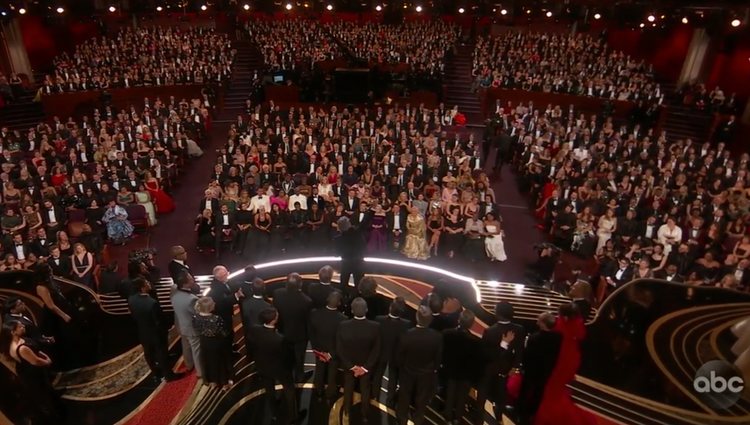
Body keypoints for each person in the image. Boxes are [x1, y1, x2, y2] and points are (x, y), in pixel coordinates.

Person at [533, 304, 595, 425]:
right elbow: (581, 336)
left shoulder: (559, 324)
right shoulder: (578, 324)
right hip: (572, 358)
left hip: (560, 357)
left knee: (551, 387)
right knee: (557, 388)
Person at [247, 308, 303, 425]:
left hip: (262, 366)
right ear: (274, 321)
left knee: (269, 389)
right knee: (289, 389)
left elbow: (252, 348)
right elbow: (288, 357)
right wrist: (290, 367)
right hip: (280, 369)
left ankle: (273, 412)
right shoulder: (280, 339)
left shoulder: (254, 330)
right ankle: (293, 416)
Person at [0, 320, 62, 424]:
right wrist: (47, 361)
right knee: (44, 395)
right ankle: (55, 417)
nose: (23, 326)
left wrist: (43, 355)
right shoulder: (21, 348)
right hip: (32, 374)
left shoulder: (18, 340)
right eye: (20, 327)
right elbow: (35, 361)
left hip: (31, 371)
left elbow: (35, 350)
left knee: (46, 391)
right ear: (13, 332)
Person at [476, 302, 524, 422]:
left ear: (498, 314)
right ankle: (498, 415)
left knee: (483, 392)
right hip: (505, 368)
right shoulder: (519, 329)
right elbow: (520, 351)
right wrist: (515, 367)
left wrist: (503, 345)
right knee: (501, 393)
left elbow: (486, 354)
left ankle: (479, 417)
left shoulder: (490, 331)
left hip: (489, 368)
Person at [396, 305, 443, 425]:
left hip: (407, 370)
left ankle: (402, 419)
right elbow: (438, 357)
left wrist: (402, 366)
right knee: (422, 397)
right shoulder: (437, 337)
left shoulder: (407, 334)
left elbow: (400, 354)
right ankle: (418, 418)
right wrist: (434, 369)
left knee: (404, 395)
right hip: (426, 373)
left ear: (417, 317)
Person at [336, 297, 381, 422]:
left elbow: (339, 349)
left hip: (349, 366)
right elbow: (376, 350)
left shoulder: (343, 326)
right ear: (366, 310)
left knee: (348, 387)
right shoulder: (375, 327)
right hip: (365, 367)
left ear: (351, 310)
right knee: (365, 389)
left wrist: (351, 366)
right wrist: (365, 367)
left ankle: (346, 410)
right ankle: (365, 414)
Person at [127, 277, 179, 381]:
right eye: (146, 282)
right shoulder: (151, 303)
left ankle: (156, 373)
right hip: (156, 333)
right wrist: (166, 329)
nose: (148, 283)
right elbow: (159, 321)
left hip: (142, 331)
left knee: (148, 353)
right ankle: (168, 375)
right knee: (161, 353)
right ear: (142, 288)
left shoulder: (131, 299)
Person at [517, 312, 563, 425]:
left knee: (525, 392)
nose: (537, 321)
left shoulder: (534, 338)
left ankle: (520, 415)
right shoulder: (558, 338)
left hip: (531, 371)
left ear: (543, 324)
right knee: (538, 394)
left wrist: (523, 367)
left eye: (539, 320)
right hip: (546, 371)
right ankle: (532, 414)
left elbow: (527, 355)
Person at [442, 309, 483, 424]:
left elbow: (444, 352)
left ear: (459, 320)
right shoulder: (475, 342)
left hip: (451, 370)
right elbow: (476, 361)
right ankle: (457, 418)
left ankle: (447, 415)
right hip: (466, 375)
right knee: (462, 397)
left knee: (450, 393)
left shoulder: (447, 333)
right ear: (471, 324)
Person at [273, 272, 312, 383]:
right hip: (300, 335)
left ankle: (286, 374)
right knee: (299, 358)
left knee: (285, 356)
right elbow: (307, 320)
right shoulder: (306, 301)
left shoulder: (277, 294)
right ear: (300, 285)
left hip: (282, 333)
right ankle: (299, 376)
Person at [371, 297, 411, 407]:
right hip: (395, 356)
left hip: (381, 353)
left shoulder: (379, 320)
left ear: (390, 308)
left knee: (378, 374)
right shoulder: (406, 324)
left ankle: (374, 394)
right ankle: (390, 400)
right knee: (393, 378)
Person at [308, 291, 347, 400]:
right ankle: (330, 393)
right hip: (333, 352)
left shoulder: (315, 313)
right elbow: (341, 340)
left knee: (319, 370)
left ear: (327, 299)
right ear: (339, 303)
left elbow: (311, 333)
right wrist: (331, 354)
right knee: (332, 372)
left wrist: (317, 350)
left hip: (319, 349)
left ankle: (318, 391)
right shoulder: (343, 319)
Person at [193, 296, 232, 390]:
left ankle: (212, 382)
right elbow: (224, 332)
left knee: (209, 362)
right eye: (213, 303)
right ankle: (224, 383)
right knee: (220, 362)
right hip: (217, 343)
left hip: (205, 342)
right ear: (209, 307)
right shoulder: (216, 318)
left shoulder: (195, 317)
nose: (215, 303)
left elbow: (196, 329)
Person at [171, 272, 202, 380]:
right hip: (192, 328)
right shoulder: (191, 299)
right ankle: (200, 372)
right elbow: (198, 314)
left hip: (182, 326)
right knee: (197, 350)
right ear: (185, 283)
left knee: (187, 347)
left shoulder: (175, 295)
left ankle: (189, 365)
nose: (193, 279)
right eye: (190, 278)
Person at [207, 265, 241, 355]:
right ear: (219, 277)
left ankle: (229, 348)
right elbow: (224, 302)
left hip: (226, 314)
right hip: (222, 316)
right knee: (227, 334)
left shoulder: (223, 282)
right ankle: (228, 353)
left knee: (230, 333)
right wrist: (236, 296)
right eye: (226, 274)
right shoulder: (216, 289)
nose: (228, 275)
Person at [335, 217, 366, 288]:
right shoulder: (357, 233)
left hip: (346, 264)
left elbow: (336, 254)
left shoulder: (338, 239)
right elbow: (364, 222)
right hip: (358, 263)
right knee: (359, 285)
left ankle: (344, 297)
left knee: (343, 284)